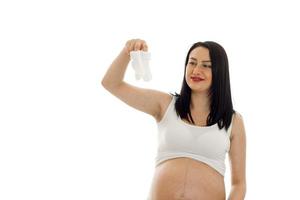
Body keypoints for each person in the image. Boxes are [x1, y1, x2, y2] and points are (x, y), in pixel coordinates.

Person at [101, 39, 247, 200]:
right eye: (192, 63)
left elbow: (238, 184)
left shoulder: (234, 121)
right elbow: (111, 83)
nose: (196, 70)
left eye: (206, 65)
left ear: (220, 71)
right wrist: (127, 52)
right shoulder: (165, 105)